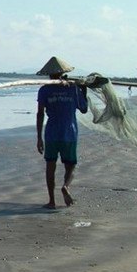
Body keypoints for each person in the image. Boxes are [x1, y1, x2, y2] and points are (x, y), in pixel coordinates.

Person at [35, 56, 88, 209]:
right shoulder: (72, 88)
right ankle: (66, 186)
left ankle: (52, 201)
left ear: (50, 75)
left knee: (50, 165)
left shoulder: (44, 89)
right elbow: (83, 109)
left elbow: (40, 114)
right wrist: (83, 90)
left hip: (51, 132)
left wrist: (39, 137)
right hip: (69, 132)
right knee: (70, 165)